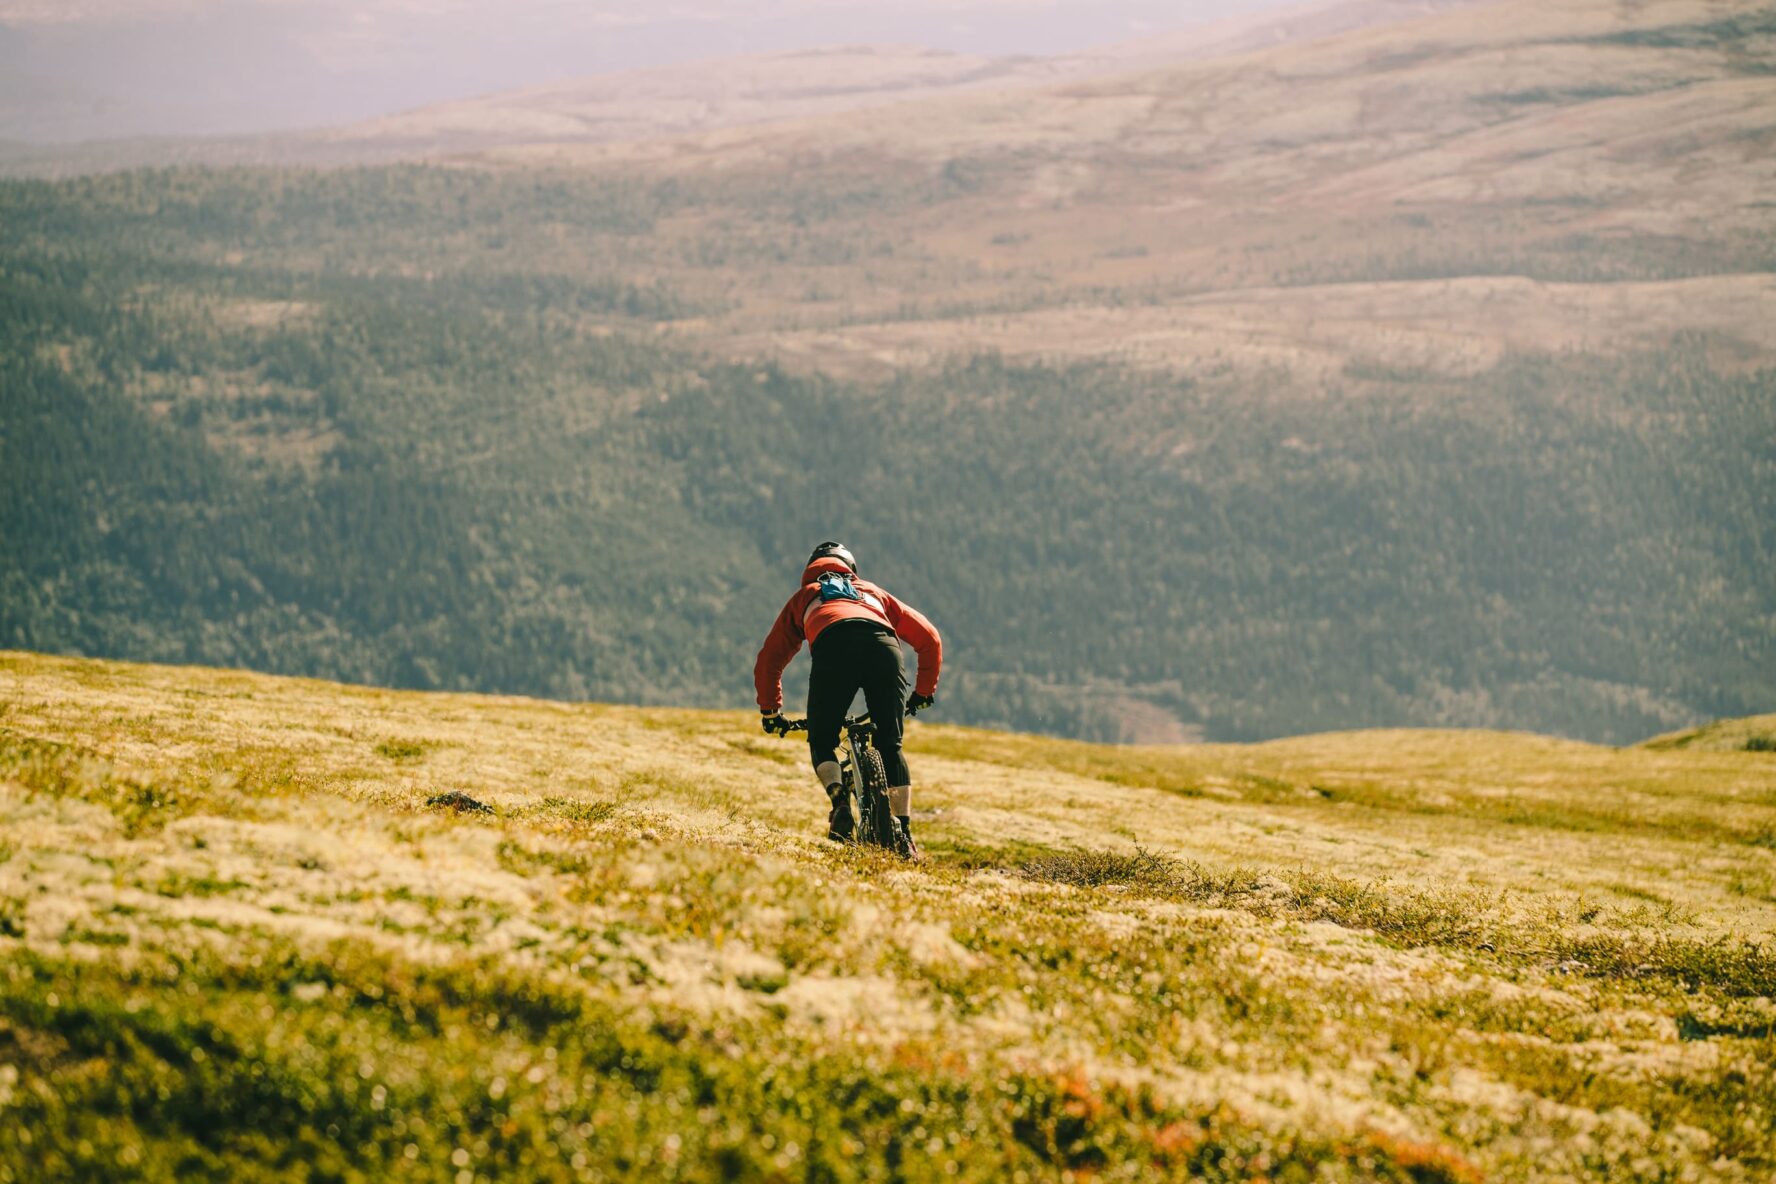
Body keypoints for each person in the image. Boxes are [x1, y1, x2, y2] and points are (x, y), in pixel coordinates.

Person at [754, 541, 942, 854]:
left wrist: (771, 711)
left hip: (834, 644)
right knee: (890, 744)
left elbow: (770, 658)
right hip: (884, 647)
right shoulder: (872, 591)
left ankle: (840, 804)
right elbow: (929, 638)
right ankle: (904, 833)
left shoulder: (806, 596)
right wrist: (923, 692)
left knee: (823, 738)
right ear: (850, 569)